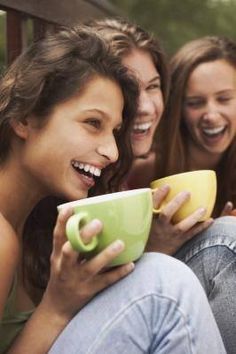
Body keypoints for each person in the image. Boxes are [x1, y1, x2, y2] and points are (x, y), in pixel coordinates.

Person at [0, 24, 225, 353]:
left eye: (115, 130)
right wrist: (56, 307)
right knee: (163, 283)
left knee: (225, 236)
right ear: (25, 119)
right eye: (93, 123)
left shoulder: (41, 219)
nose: (113, 151)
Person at [86, 21, 236, 353]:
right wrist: (154, 245)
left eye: (153, 86)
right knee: (228, 240)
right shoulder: (128, 167)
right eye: (195, 102)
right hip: (129, 306)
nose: (144, 106)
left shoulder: (121, 164)